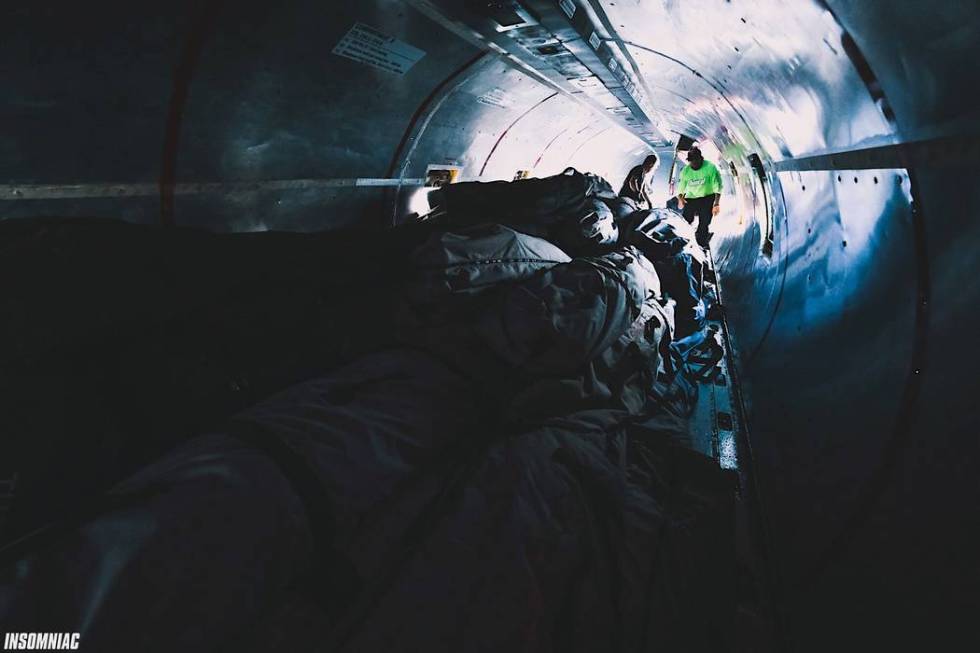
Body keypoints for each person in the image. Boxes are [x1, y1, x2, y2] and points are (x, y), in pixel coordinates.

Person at [676, 147, 722, 247]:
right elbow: (681, 188)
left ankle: (701, 241)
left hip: (707, 197)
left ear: (701, 159)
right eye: (692, 162)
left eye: (696, 161)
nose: (694, 164)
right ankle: (683, 240)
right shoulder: (685, 171)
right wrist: (680, 198)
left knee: (704, 221)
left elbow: (717, 187)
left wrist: (716, 203)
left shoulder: (710, 168)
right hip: (691, 198)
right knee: (687, 219)